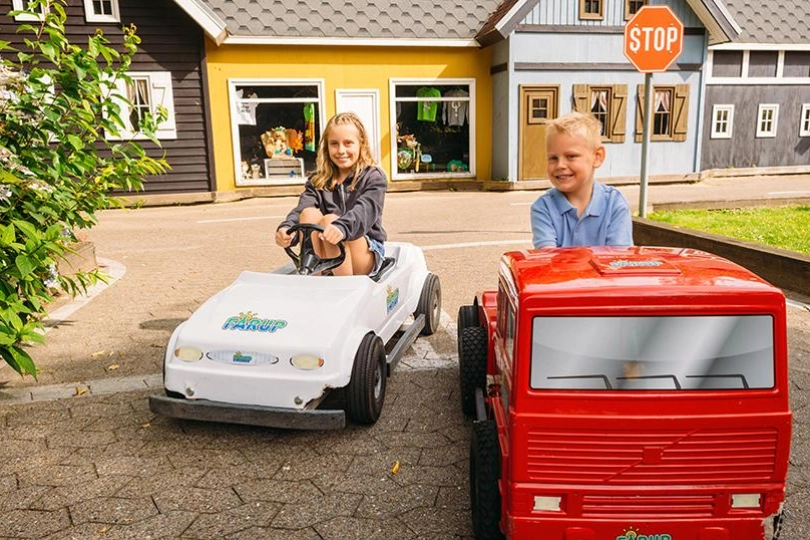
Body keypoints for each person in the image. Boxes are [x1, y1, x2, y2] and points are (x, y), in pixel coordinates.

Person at [275, 112, 387, 276]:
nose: (341, 150)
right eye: (334, 144)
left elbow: (364, 212)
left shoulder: (373, 177)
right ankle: (315, 280)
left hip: (365, 249)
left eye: (348, 143)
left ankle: (344, 288)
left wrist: (341, 227)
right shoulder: (317, 180)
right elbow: (301, 209)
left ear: (361, 144)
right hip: (326, 251)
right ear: (326, 147)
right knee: (309, 214)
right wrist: (287, 229)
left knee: (329, 220)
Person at [530, 111, 633, 249]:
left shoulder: (614, 203)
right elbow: (548, 256)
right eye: (553, 158)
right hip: (560, 271)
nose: (560, 165)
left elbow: (618, 258)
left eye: (571, 156)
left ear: (597, 157)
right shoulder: (543, 207)